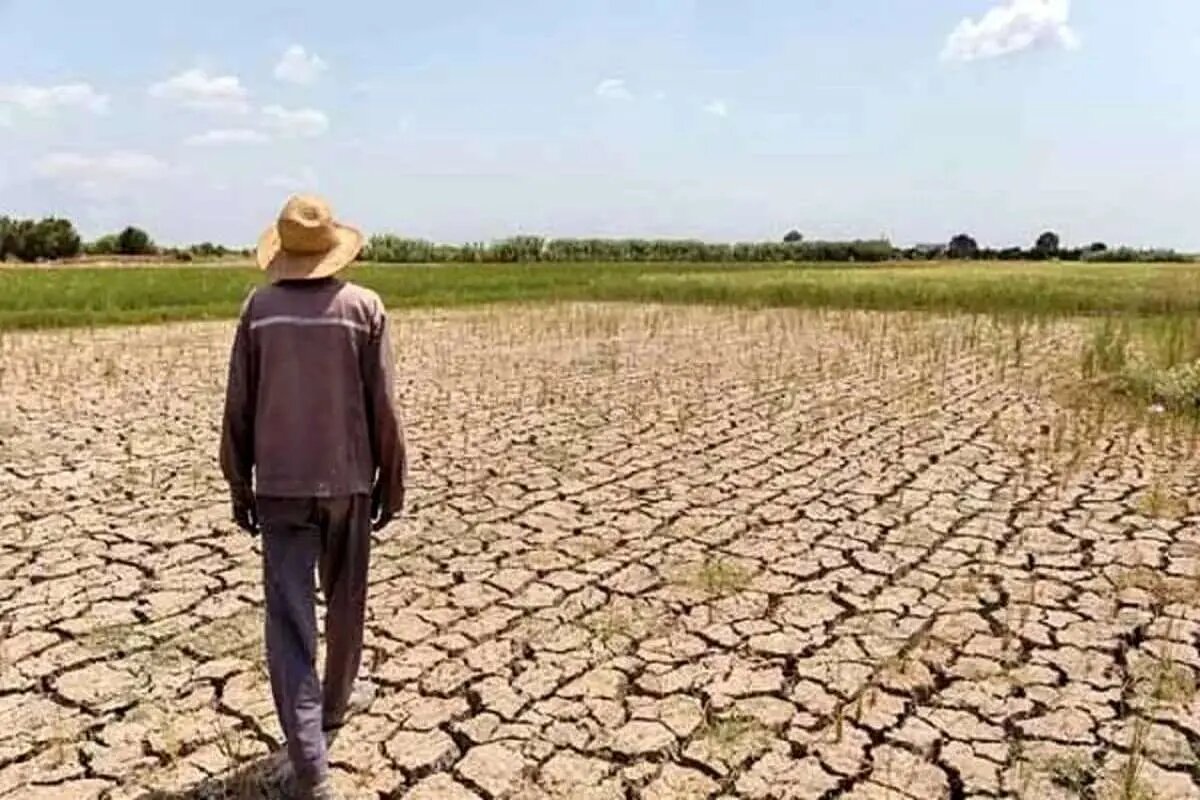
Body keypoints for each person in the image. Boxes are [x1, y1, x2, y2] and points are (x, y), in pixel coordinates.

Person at [219, 194, 407, 800]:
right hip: (349, 481)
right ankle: (331, 711)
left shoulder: (259, 310)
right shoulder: (364, 308)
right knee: (347, 604)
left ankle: (311, 768)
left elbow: (238, 404)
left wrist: (237, 480)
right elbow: (385, 407)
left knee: (292, 626)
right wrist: (392, 478)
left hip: (279, 487)